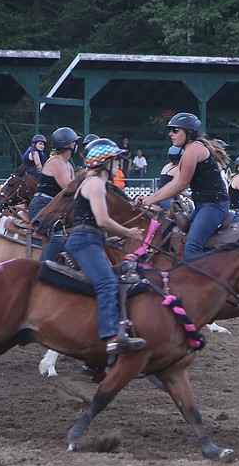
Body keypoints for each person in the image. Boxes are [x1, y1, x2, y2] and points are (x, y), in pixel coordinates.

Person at [65, 137, 146, 357]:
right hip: (85, 241)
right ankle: (111, 338)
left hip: (90, 240)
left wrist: (106, 241)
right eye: (116, 160)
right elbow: (101, 220)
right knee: (108, 283)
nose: (120, 164)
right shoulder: (96, 183)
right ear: (105, 161)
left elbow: (90, 222)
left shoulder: (93, 183)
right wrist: (128, 232)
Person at [139, 112, 230, 259]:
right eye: (170, 130)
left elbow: (181, 184)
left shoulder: (193, 150)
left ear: (189, 133)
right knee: (180, 234)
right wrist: (152, 197)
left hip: (213, 205)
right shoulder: (190, 149)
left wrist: (153, 199)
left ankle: (201, 281)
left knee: (192, 246)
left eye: (175, 130)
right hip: (204, 205)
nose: (171, 134)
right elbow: (175, 182)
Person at [27, 126, 79, 262]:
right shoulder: (56, 162)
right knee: (57, 234)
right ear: (71, 145)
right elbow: (69, 188)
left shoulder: (68, 165)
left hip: (56, 207)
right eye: (75, 142)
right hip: (42, 206)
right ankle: (43, 267)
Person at [156, 145, 184, 211]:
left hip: (159, 195)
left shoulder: (167, 166)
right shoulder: (178, 169)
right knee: (179, 214)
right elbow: (177, 189)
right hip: (166, 198)